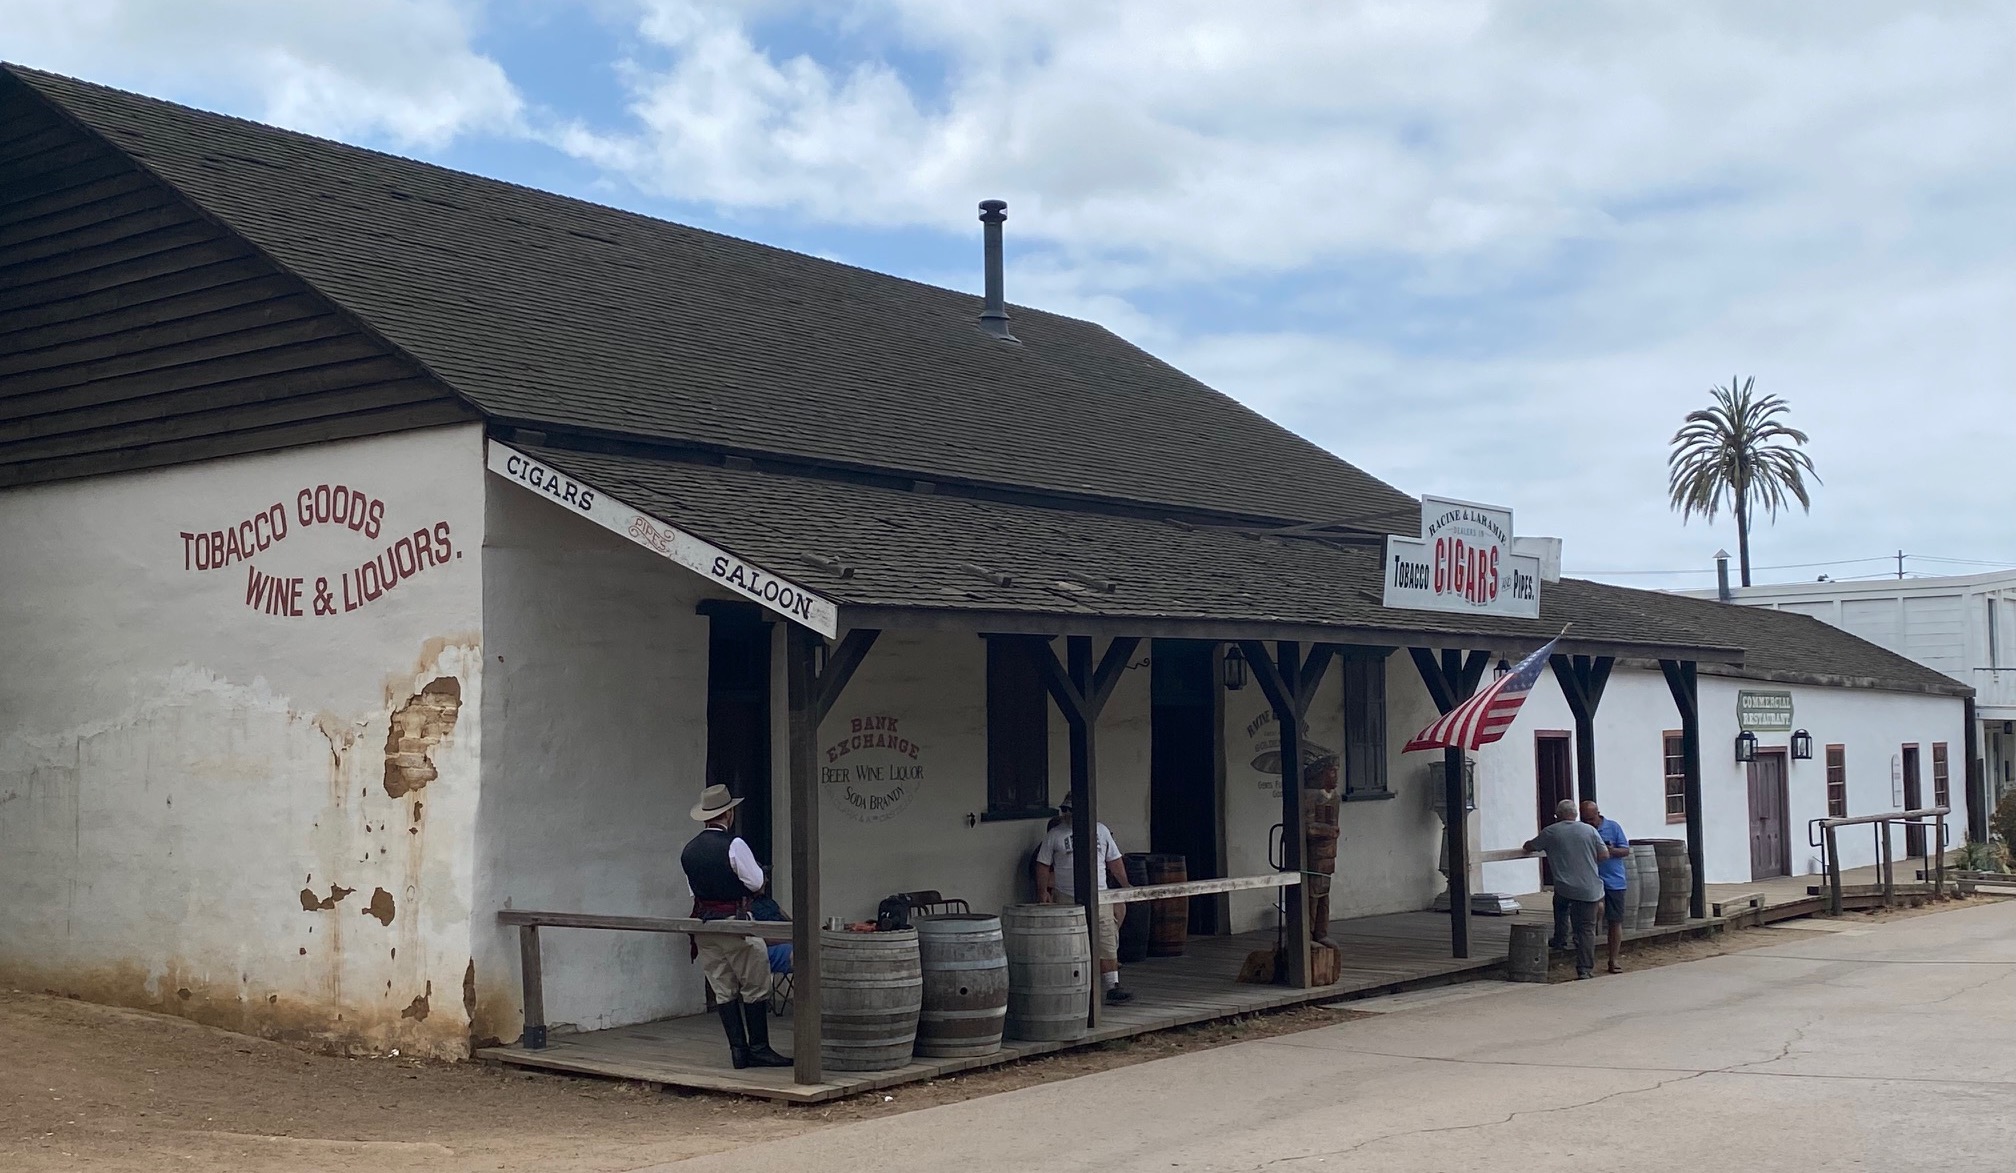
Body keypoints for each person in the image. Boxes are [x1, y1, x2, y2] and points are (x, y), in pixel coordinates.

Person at [679, 784, 790, 1069]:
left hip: (705, 927)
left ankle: (738, 1052)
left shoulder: (689, 851)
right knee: (755, 984)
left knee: (723, 987)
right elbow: (756, 882)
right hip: (735, 923)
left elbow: (694, 893)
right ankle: (760, 1048)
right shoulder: (734, 844)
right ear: (728, 814)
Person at [1033, 793, 1135, 1004]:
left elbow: (1114, 860)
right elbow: (1042, 864)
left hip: (1100, 894)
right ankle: (1071, 985)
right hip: (1067, 896)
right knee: (1069, 942)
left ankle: (1112, 985)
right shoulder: (1055, 835)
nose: (1067, 814)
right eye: (1064, 810)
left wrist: (1125, 885)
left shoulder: (1101, 830)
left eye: (1071, 810)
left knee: (1105, 936)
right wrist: (1043, 891)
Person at [1523, 799, 1607, 980]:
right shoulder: (1590, 830)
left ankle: (1560, 939)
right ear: (1576, 814)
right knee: (1586, 929)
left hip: (1565, 887)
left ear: (1558, 815)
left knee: (1560, 904)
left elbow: (1530, 846)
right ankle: (1584, 969)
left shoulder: (1551, 832)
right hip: (1589, 887)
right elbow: (1604, 854)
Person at [1581, 800, 1632, 975]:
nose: (1589, 823)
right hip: (1591, 879)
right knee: (1592, 916)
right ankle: (1588, 961)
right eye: (1585, 819)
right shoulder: (1582, 830)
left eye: (1591, 818)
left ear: (1598, 814)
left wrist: (1610, 850)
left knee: (1615, 921)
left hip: (1614, 880)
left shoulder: (1613, 827)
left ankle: (1613, 959)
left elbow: (1625, 850)